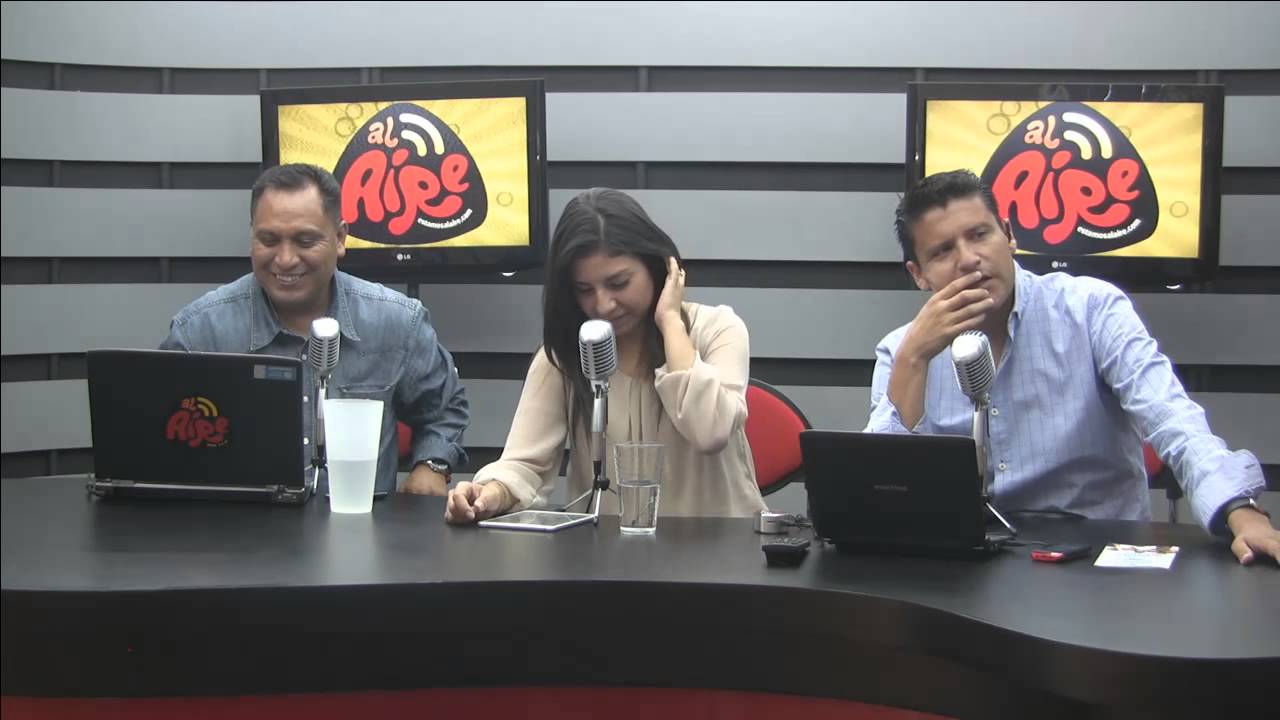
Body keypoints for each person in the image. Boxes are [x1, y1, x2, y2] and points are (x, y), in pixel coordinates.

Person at [866, 169, 1278, 565]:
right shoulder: (902, 351)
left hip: (1097, 558)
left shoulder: (1091, 310)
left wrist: (1239, 510)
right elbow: (876, 497)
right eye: (943, 251)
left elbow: (1172, 417)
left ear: (1008, 235)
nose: (969, 259)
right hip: (968, 569)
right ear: (918, 274)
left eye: (979, 234)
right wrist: (913, 359)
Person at [446, 188, 766, 523]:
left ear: (659, 268)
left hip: (722, 545)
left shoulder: (717, 329)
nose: (603, 305)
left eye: (619, 283)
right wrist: (491, 493)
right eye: (584, 290)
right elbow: (525, 463)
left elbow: (710, 430)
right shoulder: (565, 355)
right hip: (609, 549)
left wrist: (671, 321)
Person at [161, 163, 469, 496]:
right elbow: (160, 436)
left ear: (340, 238)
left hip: (362, 525)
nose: (285, 259)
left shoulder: (397, 323)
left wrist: (433, 466)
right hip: (237, 524)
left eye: (305, 241)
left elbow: (445, 409)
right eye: (268, 240)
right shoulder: (199, 332)